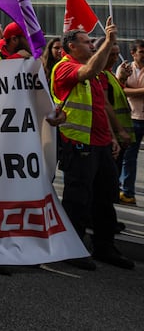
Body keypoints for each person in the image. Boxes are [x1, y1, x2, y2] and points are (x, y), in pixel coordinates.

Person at [49, 23, 134, 269]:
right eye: (86, 42)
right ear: (71, 47)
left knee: (105, 196)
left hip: (100, 143)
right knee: (78, 197)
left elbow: (102, 106)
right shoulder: (64, 67)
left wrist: (113, 134)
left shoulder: (96, 73)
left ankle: (104, 247)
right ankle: (70, 248)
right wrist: (107, 42)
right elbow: (86, 71)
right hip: (78, 143)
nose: (90, 45)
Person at [117, 40, 144, 204]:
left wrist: (133, 92)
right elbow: (122, 90)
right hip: (132, 118)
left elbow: (127, 91)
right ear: (133, 53)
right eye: (141, 51)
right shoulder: (125, 69)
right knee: (129, 157)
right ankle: (128, 193)